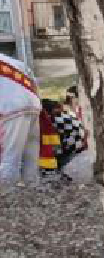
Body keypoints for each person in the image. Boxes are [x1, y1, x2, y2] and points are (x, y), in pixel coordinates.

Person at [0, 52, 53, 182]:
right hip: (32, 106)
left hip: (9, 108)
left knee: (8, 161)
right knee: (30, 161)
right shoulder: (12, 61)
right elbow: (34, 84)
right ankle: (31, 195)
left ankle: (8, 199)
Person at [39, 98, 86, 183]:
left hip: (72, 154)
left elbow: (56, 149)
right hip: (78, 150)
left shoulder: (54, 121)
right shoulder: (66, 116)